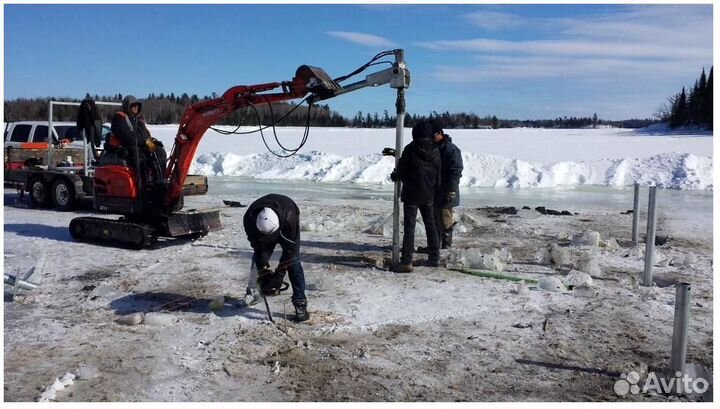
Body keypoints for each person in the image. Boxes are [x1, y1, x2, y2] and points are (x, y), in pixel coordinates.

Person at [242, 194, 309, 322]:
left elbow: (290, 251)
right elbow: (257, 249)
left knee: (294, 261)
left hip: (286, 216)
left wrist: (279, 274)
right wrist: (263, 272)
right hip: (267, 222)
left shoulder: (290, 219)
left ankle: (300, 303)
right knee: (257, 259)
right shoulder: (249, 220)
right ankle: (253, 291)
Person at [390, 120, 441, 273]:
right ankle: (434, 257)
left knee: (410, 227)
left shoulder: (410, 149)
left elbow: (402, 171)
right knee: (431, 225)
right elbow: (439, 172)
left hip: (412, 193)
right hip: (429, 194)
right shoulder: (435, 149)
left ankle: (406, 261)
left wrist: (395, 176)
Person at [109, 95, 167, 184]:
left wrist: (153, 142)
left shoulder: (138, 120)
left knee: (160, 152)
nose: (136, 107)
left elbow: (145, 135)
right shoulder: (119, 118)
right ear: (127, 106)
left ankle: (159, 179)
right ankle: (143, 183)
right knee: (140, 156)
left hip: (139, 145)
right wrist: (145, 142)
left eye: (137, 105)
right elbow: (127, 137)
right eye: (133, 105)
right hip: (124, 148)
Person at [426, 118, 464, 249]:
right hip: (434, 190)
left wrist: (451, 190)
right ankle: (434, 246)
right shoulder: (431, 148)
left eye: (433, 136)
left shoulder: (451, 150)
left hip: (446, 190)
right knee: (433, 219)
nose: (431, 138)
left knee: (444, 218)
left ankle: (446, 245)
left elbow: (455, 172)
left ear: (440, 133)